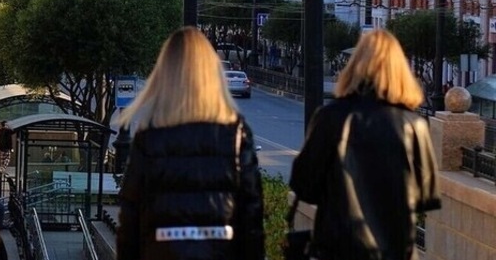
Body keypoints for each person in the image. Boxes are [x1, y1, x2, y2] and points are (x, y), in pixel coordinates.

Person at [290, 29, 441, 260]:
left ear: (354, 67)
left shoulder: (330, 117)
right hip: (394, 252)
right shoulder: (414, 125)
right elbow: (425, 198)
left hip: (337, 250)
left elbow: (304, 186)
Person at [116, 27, 264, 260]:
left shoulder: (149, 137)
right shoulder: (235, 136)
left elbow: (129, 223)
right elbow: (251, 222)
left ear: (165, 76)